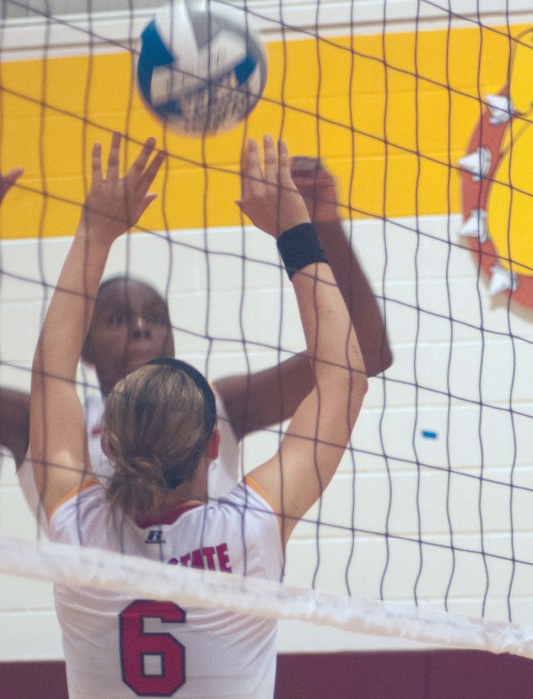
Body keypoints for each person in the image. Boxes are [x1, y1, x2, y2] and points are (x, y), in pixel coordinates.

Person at [0, 138, 390, 517]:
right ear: (84, 348)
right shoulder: (33, 424)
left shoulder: (220, 407)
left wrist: (325, 223)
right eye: (117, 319)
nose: (141, 329)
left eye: (155, 319)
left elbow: (368, 353)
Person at [30, 132, 367, 697]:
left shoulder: (76, 532)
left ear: (106, 446)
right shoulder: (250, 530)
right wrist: (293, 227)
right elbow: (346, 377)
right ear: (214, 447)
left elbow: (49, 377)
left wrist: (95, 231)